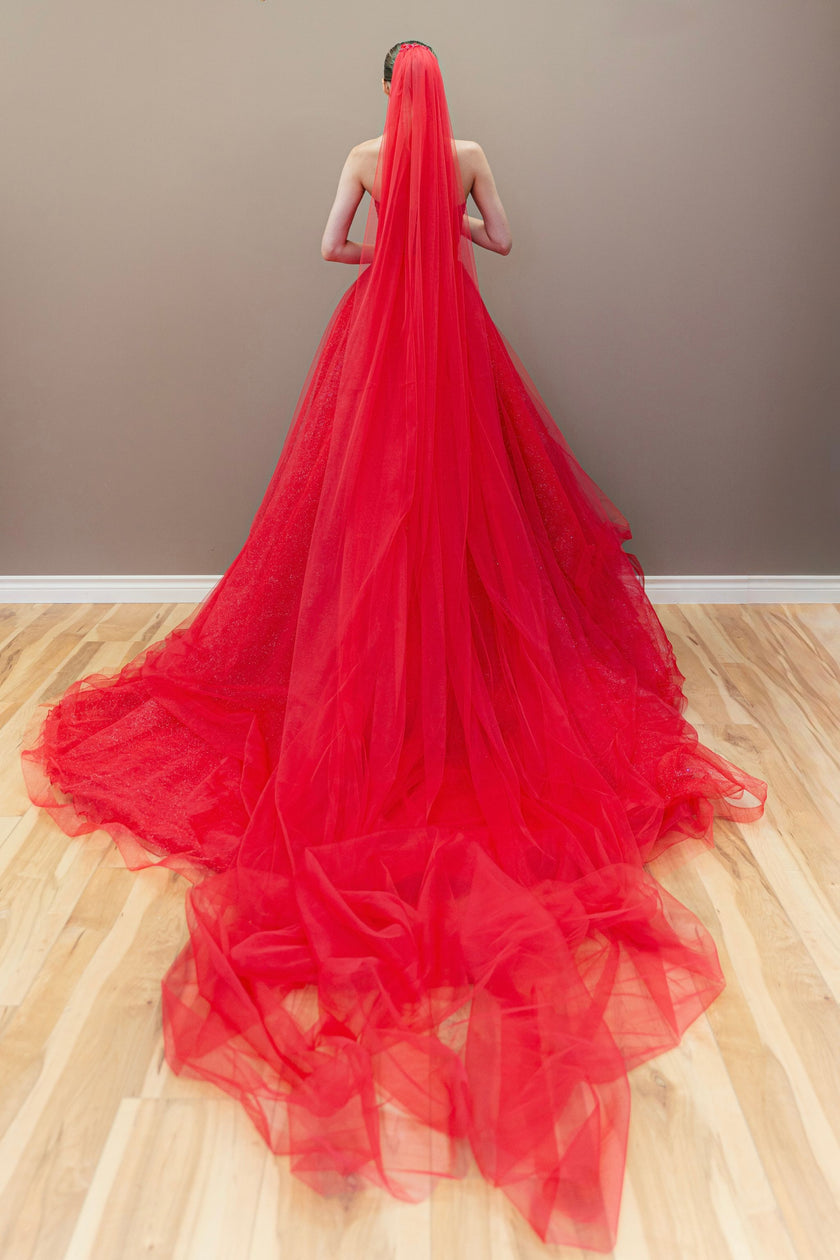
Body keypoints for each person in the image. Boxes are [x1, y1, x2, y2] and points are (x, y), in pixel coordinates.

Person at [20, 41, 767, 1253]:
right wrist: (454, 235)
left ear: (383, 96)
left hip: (377, 356)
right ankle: (452, 697)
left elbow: (331, 251)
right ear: (443, 102)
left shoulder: (365, 157)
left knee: (359, 539)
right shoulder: (466, 157)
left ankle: (377, 702)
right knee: (473, 535)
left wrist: (384, 251)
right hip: (456, 358)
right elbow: (505, 243)